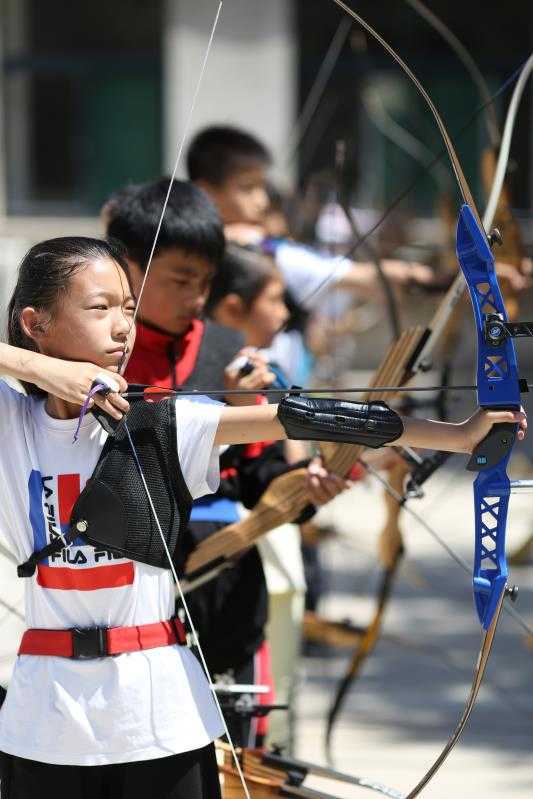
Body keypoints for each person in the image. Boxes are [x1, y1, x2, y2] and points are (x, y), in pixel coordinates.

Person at [0, 236, 524, 798]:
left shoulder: (169, 422)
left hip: (158, 718)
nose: (123, 326)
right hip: (45, 720)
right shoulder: (15, 426)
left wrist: (457, 436)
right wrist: (40, 370)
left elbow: (304, 420)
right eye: (100, 308)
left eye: (128, 307)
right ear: (36, 322)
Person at [102, 178, 347, 748]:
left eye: (206, 282)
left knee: (240, 746)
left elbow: (260, 476)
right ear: (126, 269)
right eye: (180, 279)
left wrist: (304, 482)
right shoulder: (93, 357)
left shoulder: (226, 350)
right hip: (126, 586)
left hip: (225, 584)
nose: (195, 297)